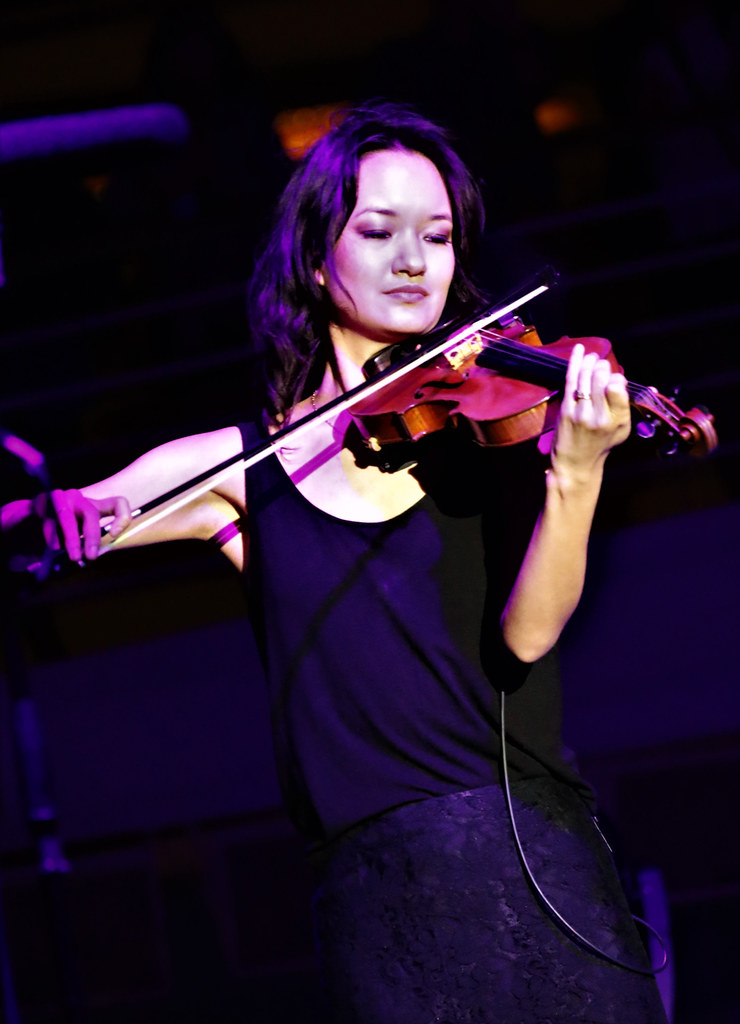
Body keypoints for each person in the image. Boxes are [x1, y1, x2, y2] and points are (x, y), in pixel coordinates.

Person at [2, 101, 669, 1023]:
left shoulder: (493, 429)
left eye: (438, 236)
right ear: (317, 258)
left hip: (539, 866)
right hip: (381, 900)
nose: (413, 260)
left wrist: (579, 471)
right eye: (379, 230)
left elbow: (527, 637)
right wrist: (69, 513)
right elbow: (59, 518)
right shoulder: (242, 473)